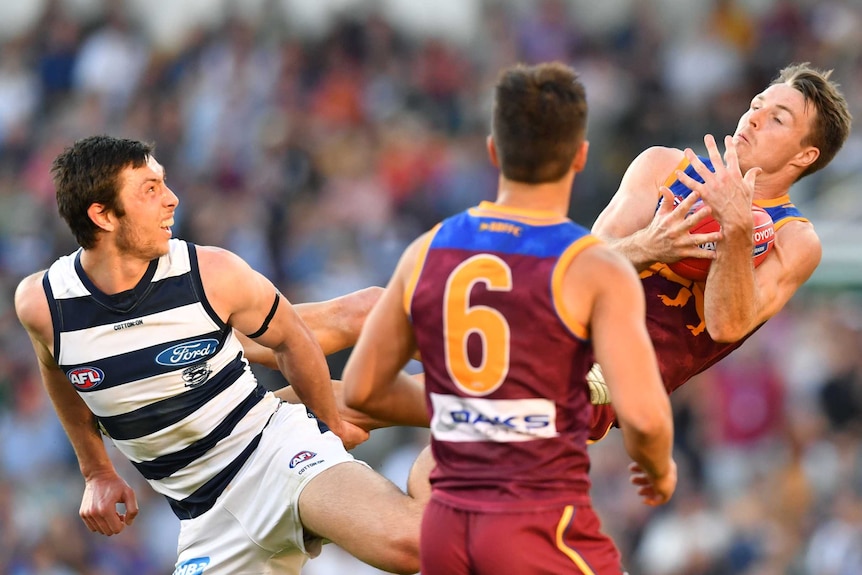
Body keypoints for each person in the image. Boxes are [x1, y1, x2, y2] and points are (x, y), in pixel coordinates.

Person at [13, 135, 424, 575]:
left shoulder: (209, 272)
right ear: (102, 215)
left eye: (164, 183)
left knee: (413, 548)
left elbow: (294, 338)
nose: (171, 200)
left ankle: (459, 440)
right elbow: (57, 369)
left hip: (271, 454)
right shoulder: (43, 304)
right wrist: (96, 471)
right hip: (203, 518)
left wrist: (327, 428)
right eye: (150, 190)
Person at [342, 61, 677, 575]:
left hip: (446, 528)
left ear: (494, 151)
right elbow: (647, 418)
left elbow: (362, 390)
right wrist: (659, 472)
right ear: (580, 157)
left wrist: (467, 407)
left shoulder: (429, 248)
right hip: (537, 522)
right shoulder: (593, 265)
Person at [587, 62, 853, 440]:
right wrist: (651, 245)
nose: (754, 119)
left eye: (777, 119)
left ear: (804, 156)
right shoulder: (663, 166)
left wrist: (737, 232)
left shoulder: (792, 240)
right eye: (757, 105)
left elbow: (726, 325)